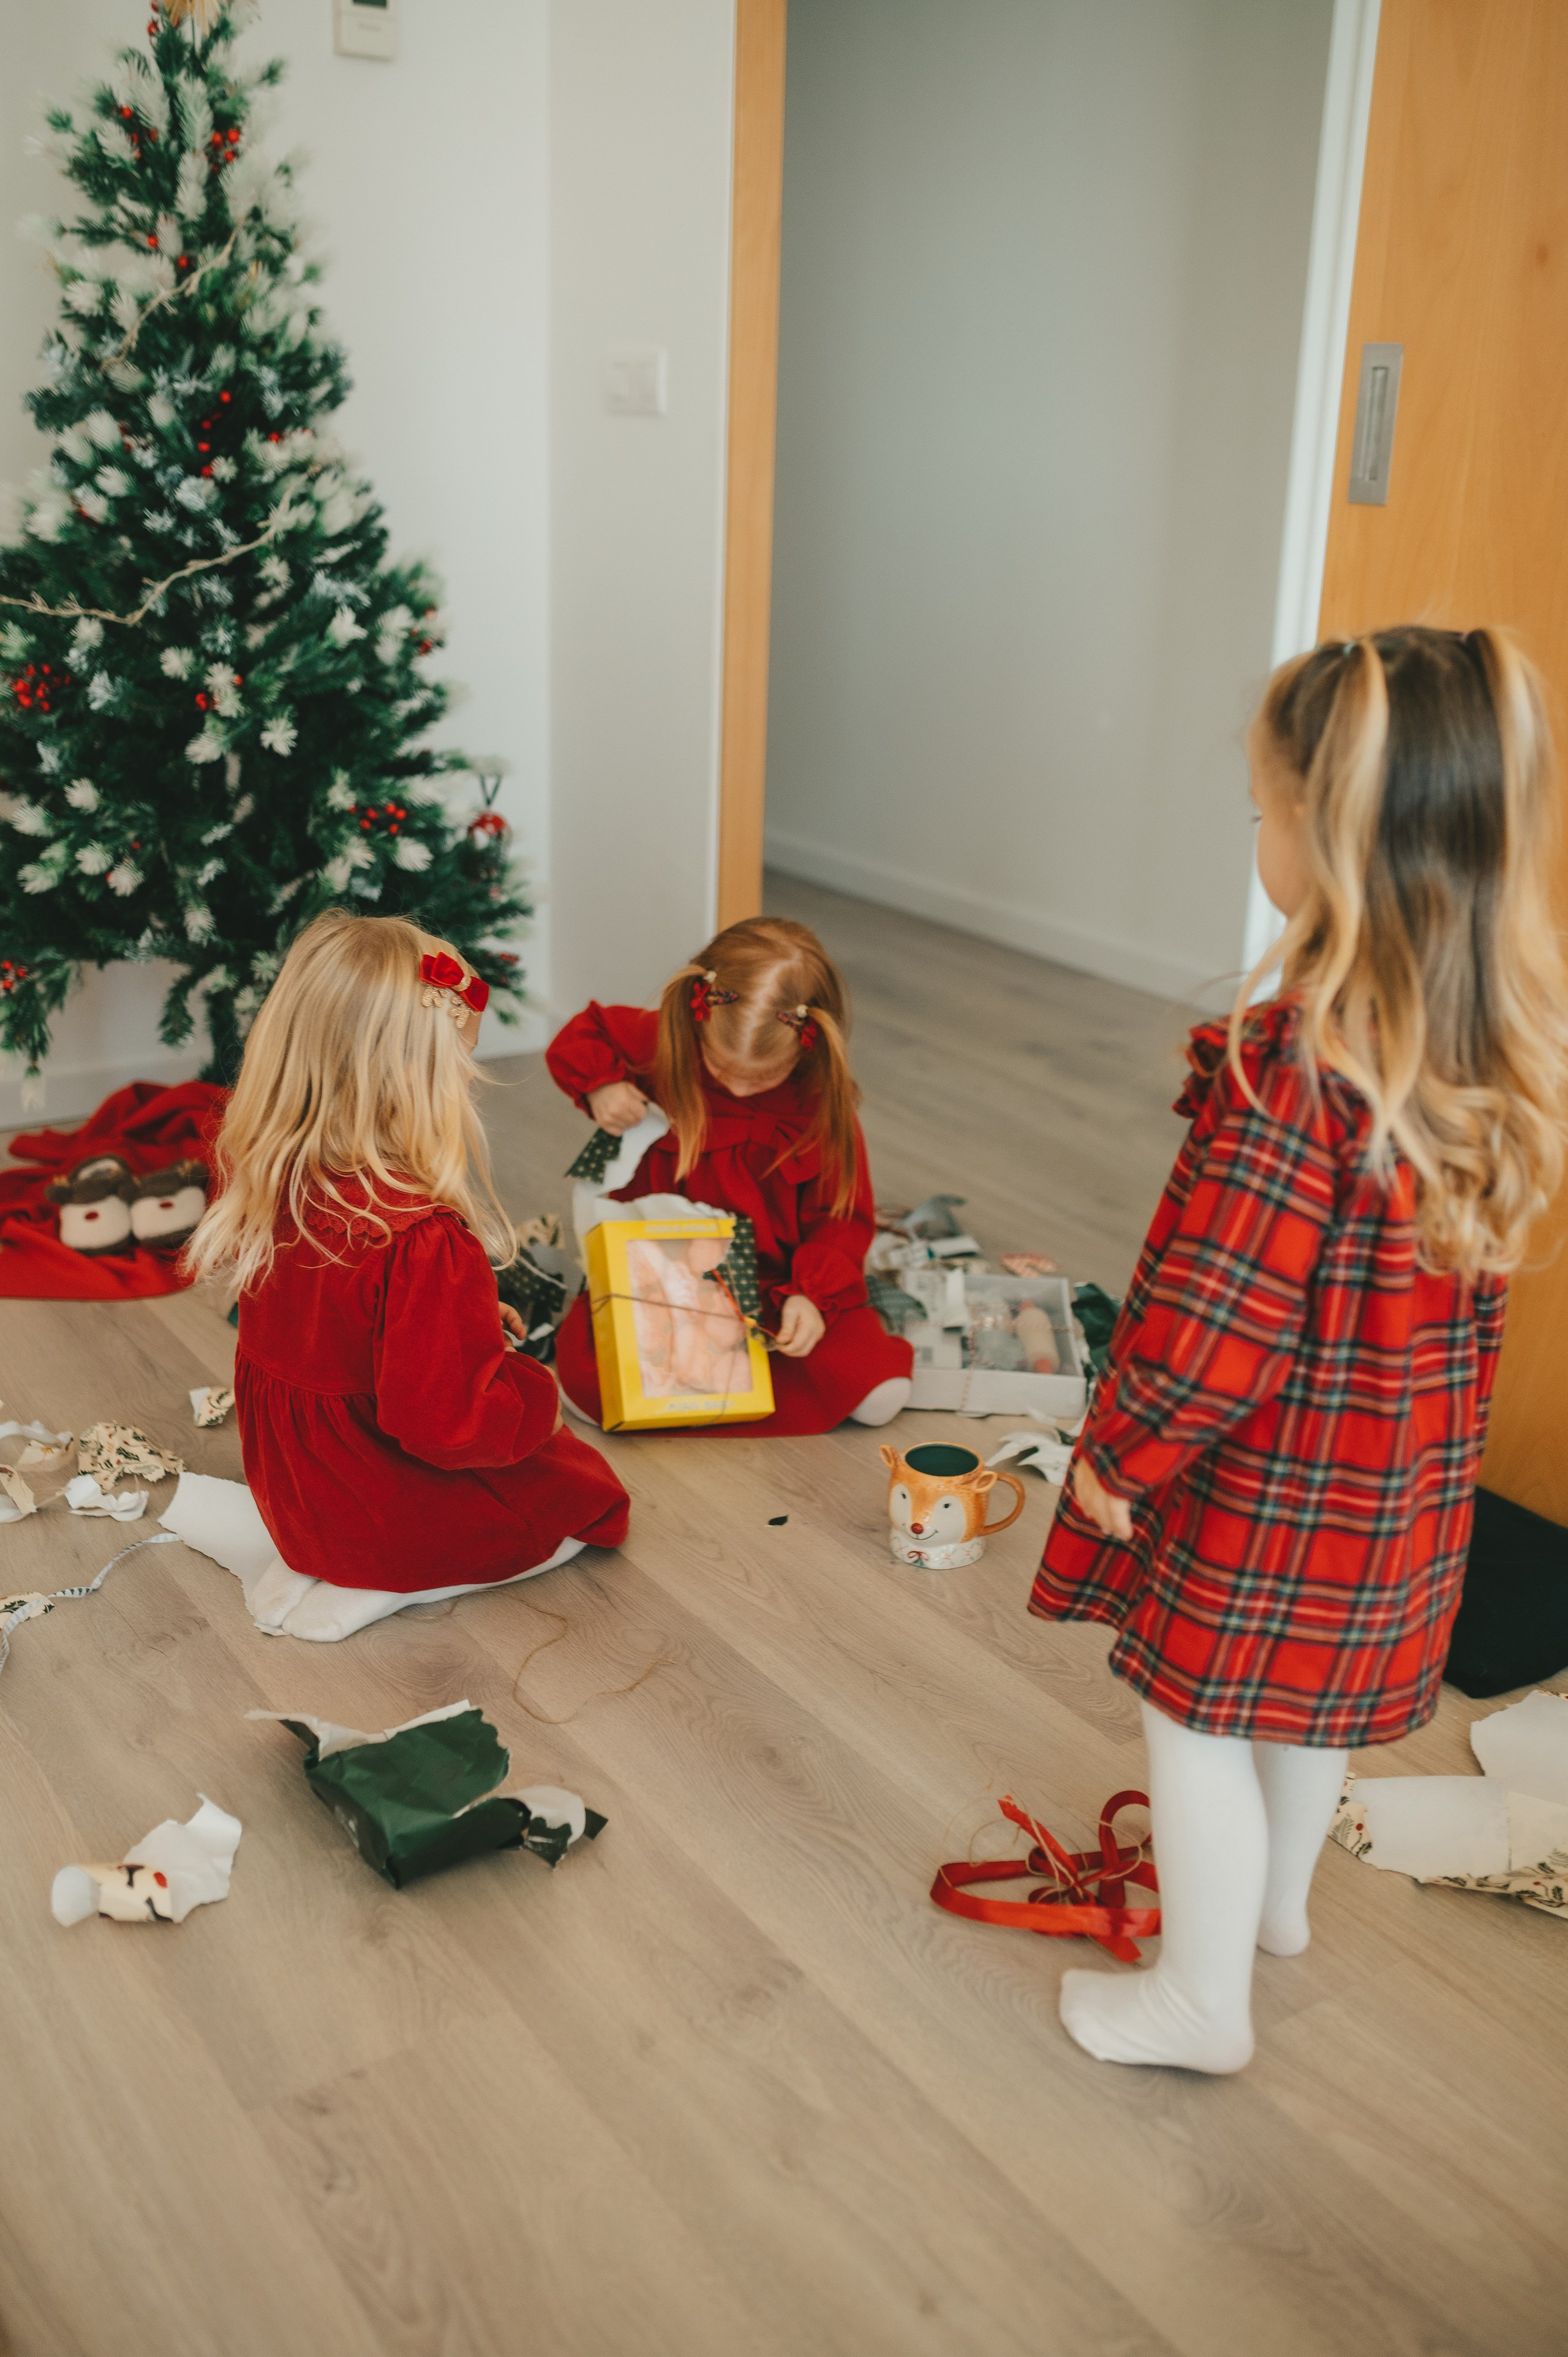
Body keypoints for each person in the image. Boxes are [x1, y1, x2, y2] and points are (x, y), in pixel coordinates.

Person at [1034, 627, 1568, 2072]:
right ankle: (1271, 1906)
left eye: (1263, 804)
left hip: (1267, 1485)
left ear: (1331, 843)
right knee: (1308, 1695)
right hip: (1393, 1493)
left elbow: (1219, 1316)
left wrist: (1117, 1461)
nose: (1251, 825)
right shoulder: (1476, 1048)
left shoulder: (1301, 1060)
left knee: (1194, 1712)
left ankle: (1194, 1999)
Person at [184, 911, 630, 1642]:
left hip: (297, 1491)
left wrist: (473, 1323)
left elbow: (341, 1333)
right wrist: (530, 1398)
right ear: (416, 1085)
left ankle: (316, 1559)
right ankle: (392, 1576)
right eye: (460, 1069)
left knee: (389, 1491)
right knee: (587, 1499)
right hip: (380, 1500)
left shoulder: (272, 1172)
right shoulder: (422, 1237)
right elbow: (444, 1425)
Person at [546, 916, 913, 1435]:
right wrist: (602, 1087)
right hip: (661, 1277)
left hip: (773, 1286)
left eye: (762, 1076)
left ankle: (735, 1378)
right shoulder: (667, 1039)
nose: (738, 1089)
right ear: (700, 1012)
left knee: (881, 1393)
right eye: (721, 1067)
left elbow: (841, 1218)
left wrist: (810, 1295)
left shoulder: (819, 1105)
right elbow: (583, 1035)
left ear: (810, 1044)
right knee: (586, 1391)